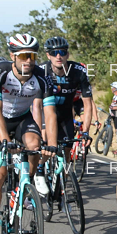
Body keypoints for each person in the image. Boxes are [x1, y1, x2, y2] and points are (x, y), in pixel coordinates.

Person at [0, 34, 57, 234]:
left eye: (32, 56)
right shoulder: (0, 72)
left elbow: (50, 112)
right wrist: (5, 141)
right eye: (23, 56)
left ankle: (24, 187)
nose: (28, 61)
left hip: (22, 119)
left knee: (34, 147)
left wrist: (52, 145)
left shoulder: (43, 76)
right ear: (13, 56)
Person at [38, 36, 97, 175]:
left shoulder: (79, 71)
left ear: (68, 54)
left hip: (65, 114)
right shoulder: (41, 70)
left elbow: (87, 103)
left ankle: (61, 184)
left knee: (66, 153)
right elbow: (35, 103)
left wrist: (85, 132)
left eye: (62, 52)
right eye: (54, 53)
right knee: (45, 148)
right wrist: (39, 128)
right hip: (45, 113)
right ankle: (39, 170)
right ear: (48, 55)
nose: (58, 56)